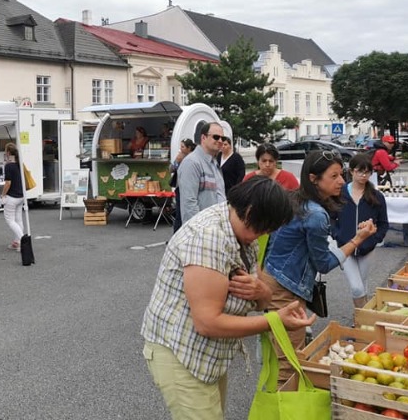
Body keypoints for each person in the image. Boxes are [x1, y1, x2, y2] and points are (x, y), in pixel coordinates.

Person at [141, 177, 316, 420]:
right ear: (251, 211)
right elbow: (207, 323)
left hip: (209, 356)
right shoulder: (208, 238)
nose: (262, 236)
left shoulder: (242, 231)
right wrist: (275, 321)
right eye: (263, 228)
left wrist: (262, 293)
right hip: (181, 354)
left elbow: (262, 295)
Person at [260, 150, 377, 384]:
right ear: (314, 179)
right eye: (333, 176)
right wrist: (357, 240)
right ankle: (286, 409)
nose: (341, 181)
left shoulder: (294, 199)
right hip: (286, 290)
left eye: (341, 175)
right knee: (289, 363)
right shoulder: (315, 214)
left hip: (271, 278)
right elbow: (323, 263)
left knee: (275, 355)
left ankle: (272, 402)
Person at [336, 153, 389, 308]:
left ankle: (362, 319)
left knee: (363, 285)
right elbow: (331, 217)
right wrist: (337, 235)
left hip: (367, 248)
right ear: (351, 171)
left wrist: (374, 239)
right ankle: (362, 318)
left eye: (367, 172)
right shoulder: (340, 193)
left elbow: (384, 223)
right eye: (360, 171)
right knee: (356, 287)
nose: (363, 175)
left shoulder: (376, 196)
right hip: (346, 248)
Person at [176, 122, 226, 226]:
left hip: (216, 229)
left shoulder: (214, 163)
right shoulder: (192, 163)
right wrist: (199, 233)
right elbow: (189, 205)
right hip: (202, 232)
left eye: (223, 138)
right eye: (216, 137)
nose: (220, 141)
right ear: (203, 137)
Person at [0, 142, 25, 251]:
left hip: (12, 197)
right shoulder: (20, 164)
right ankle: (17, 242)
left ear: (8, 153)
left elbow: (8, 183)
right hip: (21, 196)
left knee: (10, 220)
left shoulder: (9, 166)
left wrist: (3, 195)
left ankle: (23, 240)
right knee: (18, 219)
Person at [170, 138, 196, 233]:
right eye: (180, 146)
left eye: (183, 147)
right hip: (179, 187)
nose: (181, 149)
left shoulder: (193, 158)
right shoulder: (180, 156)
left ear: (189, 148)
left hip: (189, 187)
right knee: (179, 213)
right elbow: (171, 169)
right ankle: (176, 235)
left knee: (187, 212)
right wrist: (177, 161)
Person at [215, 120, 245, 192]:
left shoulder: (236, 158)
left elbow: (241, 174)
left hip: (232, 189)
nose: (223, 146)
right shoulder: (218, 156)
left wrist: (237, 189)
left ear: (230, 145)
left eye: (225, 144)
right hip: (220, 189)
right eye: (222, 144)